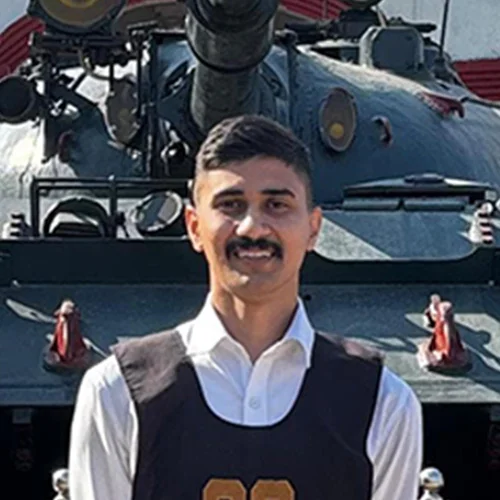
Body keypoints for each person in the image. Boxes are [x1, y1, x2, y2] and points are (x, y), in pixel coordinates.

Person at [68, 115, 423, 500]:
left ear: (313, 228)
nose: (252, 227)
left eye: (277, 204)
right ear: (194, 227)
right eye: (231, 205)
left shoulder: (382, 400)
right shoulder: (118, 392)